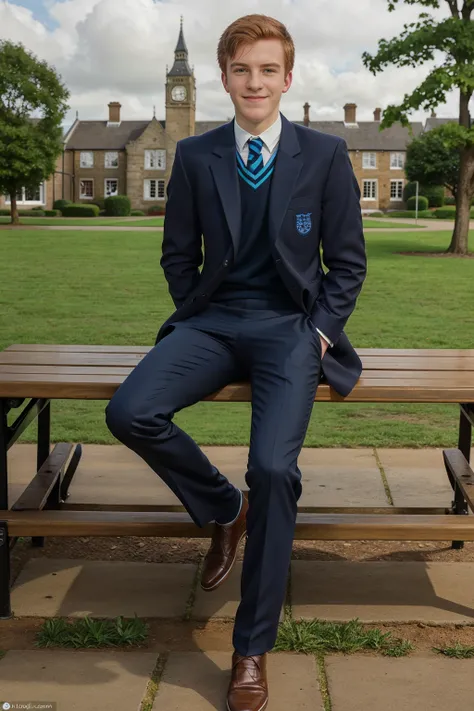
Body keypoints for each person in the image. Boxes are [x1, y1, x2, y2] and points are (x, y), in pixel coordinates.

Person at [105, 13, 366, 711]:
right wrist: (195, 307)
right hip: (213, 322)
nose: (256, 82)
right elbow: (175, 252)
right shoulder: (196, 156)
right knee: (128, 410)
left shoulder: (325, 152)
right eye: (242, 69)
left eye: (268, 70)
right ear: (223, 77)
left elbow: (347, 264)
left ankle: (250, 649)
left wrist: (317, 333)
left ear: (287, 76)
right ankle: (224, 508)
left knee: (276, 469)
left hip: (290, 329)